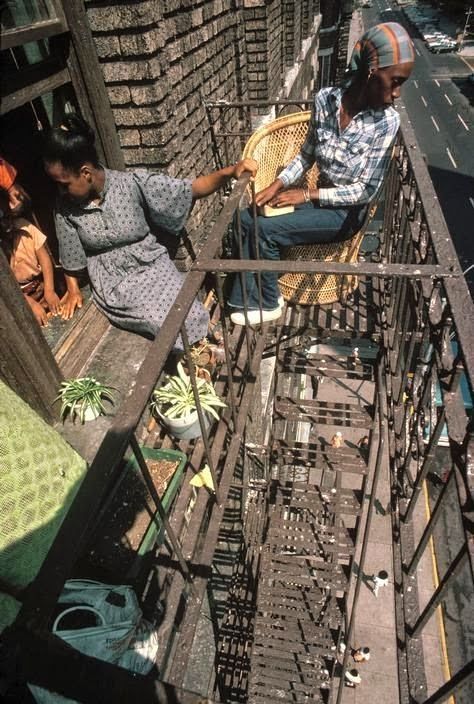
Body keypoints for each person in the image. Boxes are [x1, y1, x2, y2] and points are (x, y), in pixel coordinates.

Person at [229, 22, 415, 325]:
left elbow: (367, 190)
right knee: (247, 218)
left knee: (265, 231)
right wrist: (278, 184)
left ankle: (265, 300)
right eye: (394, 81)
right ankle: (253, 293)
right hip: (319, 199)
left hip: (346, 214)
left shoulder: (386, 122)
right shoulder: (326, 100)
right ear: (370, 72)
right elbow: (307, 153)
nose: (396, 93)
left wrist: (306, 193)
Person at [41, 115, 257, 348]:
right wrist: (73, 290)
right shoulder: (65, 208)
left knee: (183, 305)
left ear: (86, 173)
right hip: (114, 280)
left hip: (151, 262)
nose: (60, 191)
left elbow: (189, 189)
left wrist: (231, 171)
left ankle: (205, 339)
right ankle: (196, 352)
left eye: (64, 183)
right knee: (157, 320)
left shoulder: (131, 184)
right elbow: (71, 254)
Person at [0, 187, 61, 326]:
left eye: (7, 217)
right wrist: (30, 304)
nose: (6, 225)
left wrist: (49, 291)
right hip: (19, 299)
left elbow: (45, 259)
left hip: (42, 287)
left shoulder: (24, 226)